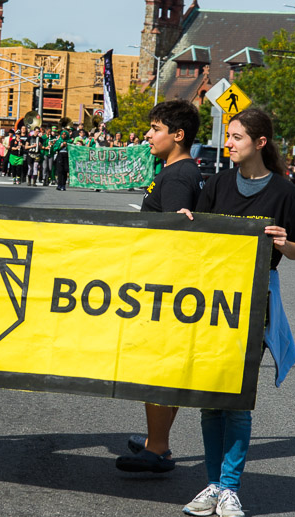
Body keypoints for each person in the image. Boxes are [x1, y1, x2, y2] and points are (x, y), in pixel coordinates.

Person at [179, 108, 295, 517]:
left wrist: (285, 242)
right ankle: (213, 483)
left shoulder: (285, 192)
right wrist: (183, 223)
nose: (229, 143)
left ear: (260, 142)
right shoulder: (216, 183)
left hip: (253, 305)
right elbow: (200, 238)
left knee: (236, 400)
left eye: (236, 137)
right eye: (230, 136)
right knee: (210, 398)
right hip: (211, 303)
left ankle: (230, 488)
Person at [115, 100, 203, 474]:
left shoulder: (179, 176)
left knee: (157, 369)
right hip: (168, 286)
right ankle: (157, 442)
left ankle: (158, 448)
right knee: (164, 369)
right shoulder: (178, 170)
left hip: (163, 288)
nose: (149, 135)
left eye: (156, 129)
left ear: (178, 135)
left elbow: (175, 237)